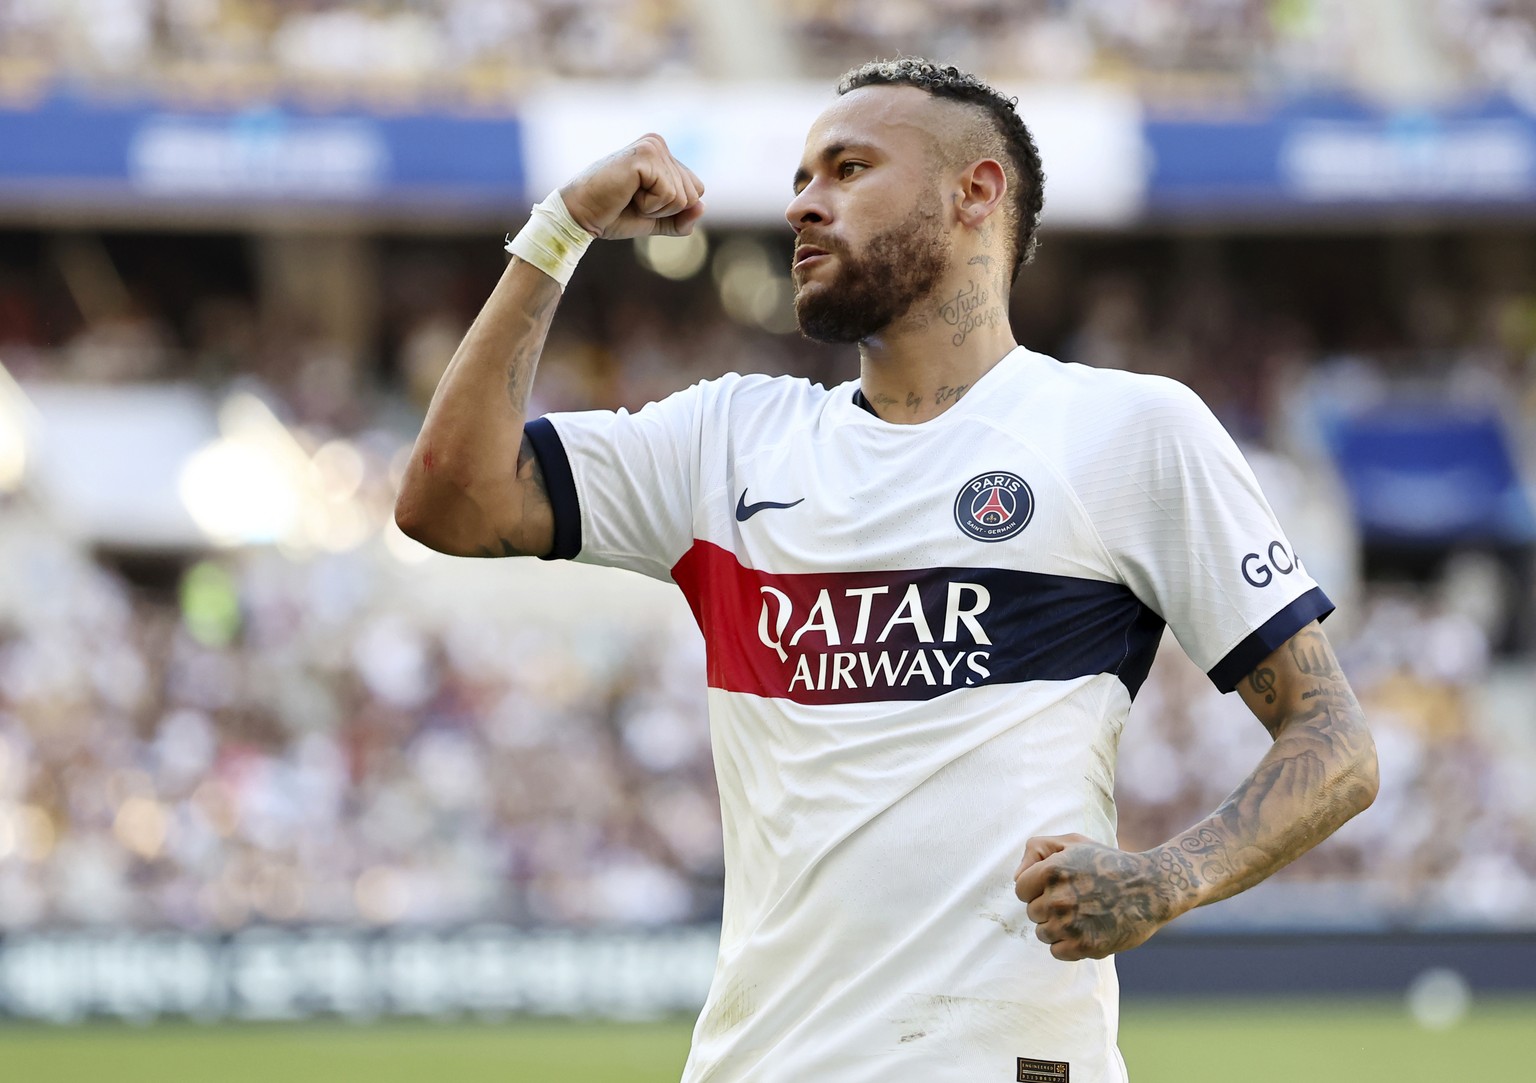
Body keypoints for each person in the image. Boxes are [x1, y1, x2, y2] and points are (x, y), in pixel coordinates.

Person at [395, 58, 1378, 1083]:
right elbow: (450, 500)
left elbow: (1336, 743)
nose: (802, 205)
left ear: (976, 191)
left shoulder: (1125, 430)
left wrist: (1164, 880)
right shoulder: (728, 440)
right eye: (800, 180)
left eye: (848, 169)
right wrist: (560, 228)